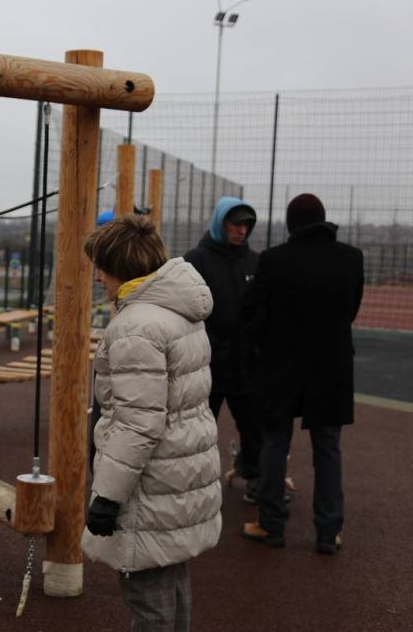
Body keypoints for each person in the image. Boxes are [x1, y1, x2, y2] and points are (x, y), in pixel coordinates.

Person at [82, 215, 221, 632]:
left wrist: (107, 496)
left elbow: (136, 423)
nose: (98, 277)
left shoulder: (136, 326)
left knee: (147, 595)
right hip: (179, 469)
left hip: (151, 481)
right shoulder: (177, 311)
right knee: (171, 578)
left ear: (119, 266)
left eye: (101, 267)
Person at [240, 193, 364, 554]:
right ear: (323, 220)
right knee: (328, 447)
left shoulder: (273, 260)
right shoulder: (351, 258)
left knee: (275, 442)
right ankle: (328, 532)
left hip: (281, 366)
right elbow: (351, 308)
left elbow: (251, 311)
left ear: (291, 224)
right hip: (333, 365)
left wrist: (262, 347)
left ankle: (271, 525)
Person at [184, 196, 263, 501]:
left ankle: (255, 478)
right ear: (220, 222)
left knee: (253, 426)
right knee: (200, 429)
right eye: (236, 223)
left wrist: (252, 346)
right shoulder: (196, 260)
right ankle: (193, 483)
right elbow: (189, 310)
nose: (242, 230)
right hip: (209, 362)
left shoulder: (254, 262)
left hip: (245, 364)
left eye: (247, 225)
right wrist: (213, 346)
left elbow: (261, 309)